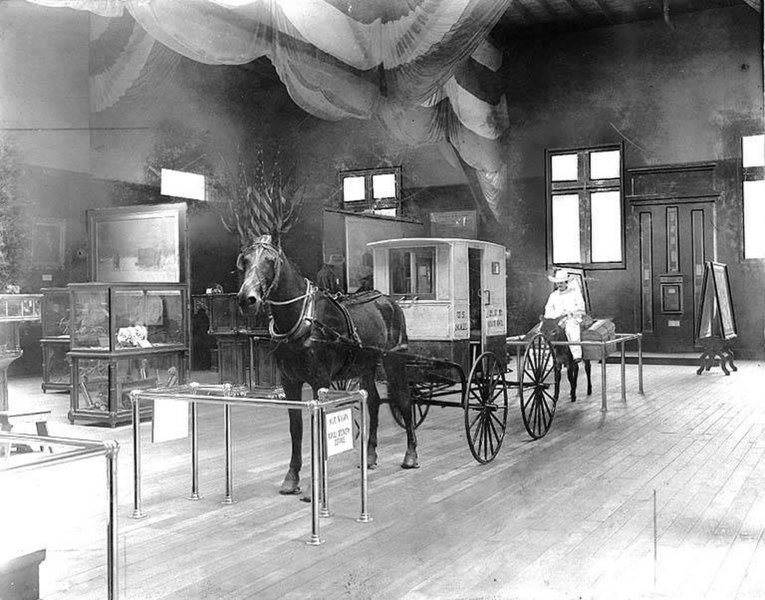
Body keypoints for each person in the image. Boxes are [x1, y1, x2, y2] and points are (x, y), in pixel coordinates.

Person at [544, 268, 585, 362]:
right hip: (556, 320)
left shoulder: (575, 293)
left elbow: (581, 307)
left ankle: (576, 354)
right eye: (558, 283)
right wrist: (551, 318)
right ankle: (549, 355)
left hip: (572, 318)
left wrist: (570, 313)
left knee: (571, 329)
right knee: (547, 330)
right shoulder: (553, 295)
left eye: (562, 282)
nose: (560, 285)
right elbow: (549, 308)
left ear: (566, 282)